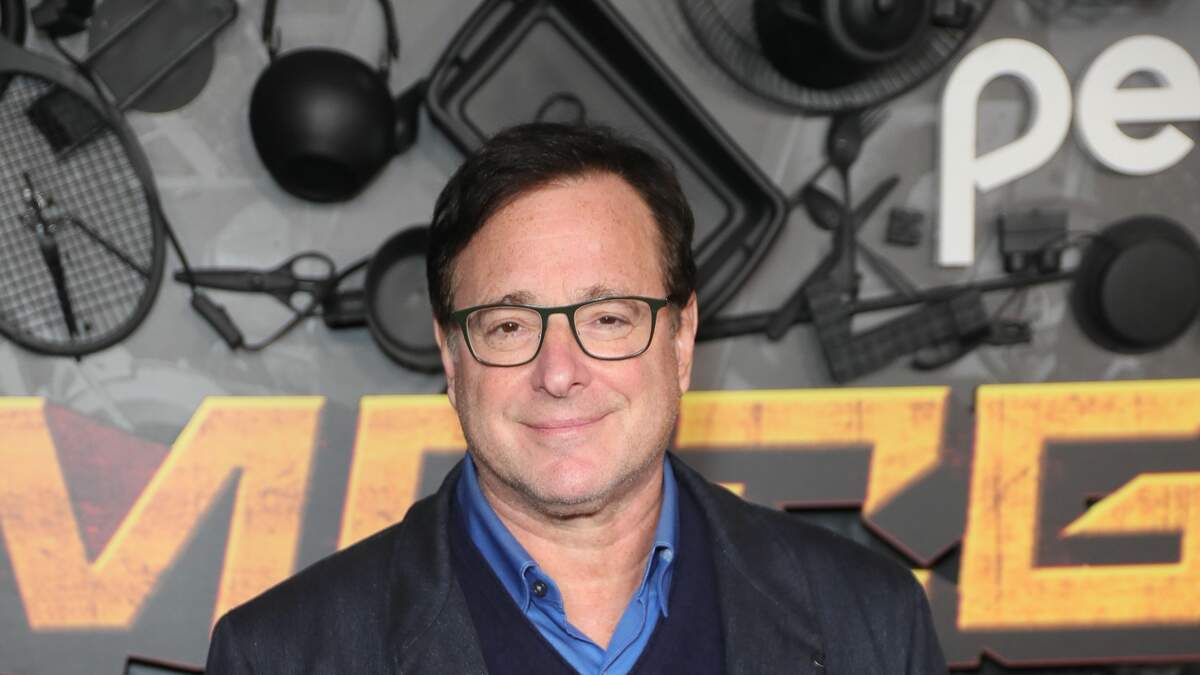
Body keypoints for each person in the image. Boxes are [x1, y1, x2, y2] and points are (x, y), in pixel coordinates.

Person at [205, 123, 948, 674]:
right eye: (508, 326)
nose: (559, 372)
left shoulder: (871, 622)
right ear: (452, 355)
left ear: (681, 338)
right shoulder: (280, 655)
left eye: (608, 319)